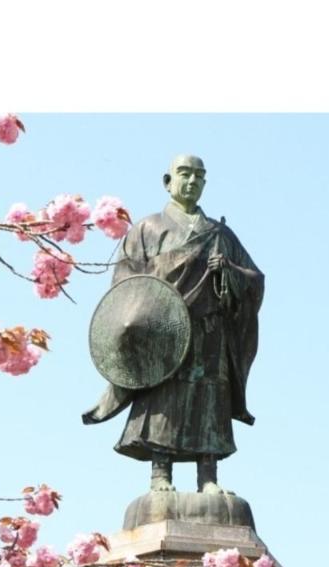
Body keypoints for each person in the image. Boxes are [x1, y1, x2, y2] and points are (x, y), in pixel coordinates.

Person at [83, 154, 264, 495]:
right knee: (164, 395)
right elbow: (125, 285)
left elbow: (255, 280)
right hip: (162, 332)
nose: (192, 181)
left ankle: (208, 476)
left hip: (209, 331)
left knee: (210, 395)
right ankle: (160, 473)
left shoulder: (220, 234)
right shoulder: (147, 229)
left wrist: (229, 270)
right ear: (168, 181)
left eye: (199, 176)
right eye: (185, 174)